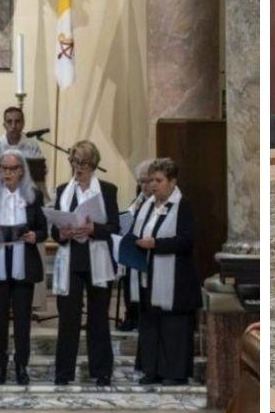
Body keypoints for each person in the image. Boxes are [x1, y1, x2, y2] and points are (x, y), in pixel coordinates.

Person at [50, 140, 119, 386]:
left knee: (98, 318)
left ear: (94, 164)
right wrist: (62, 233)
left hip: (97, 259)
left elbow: (114, 227)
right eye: (74, 161)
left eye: (84, 163)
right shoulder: (62, 190)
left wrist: (94, 228)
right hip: (71, 260)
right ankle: (63, 372)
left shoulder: (108, 190)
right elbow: (55, 230)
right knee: (68, 319)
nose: (78, 168)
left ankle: (101, 371)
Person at [0, 149, 46, 385]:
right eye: (3, 168)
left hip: (23, 261)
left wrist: (34, 236)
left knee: (23, 320)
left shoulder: (33, 195)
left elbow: (44, 230)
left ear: (21, 171)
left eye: (12, 169)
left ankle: (21, 366)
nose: (7, 173)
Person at [129, 159, 199, 385]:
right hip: (147, 274)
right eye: (151, 181)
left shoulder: (183, 205)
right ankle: (152, 370)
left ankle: (174, 373)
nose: (153, 185)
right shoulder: (148, 205)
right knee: (150, 324)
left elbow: (186, 242)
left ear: (172, 182)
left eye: (158, 180)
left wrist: (156, 245)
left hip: (175, 279)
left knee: (173, 327)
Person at [117, 158, 155, 332]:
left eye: (148, 181)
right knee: (128, 279)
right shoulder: (138, 199)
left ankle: (142, 317)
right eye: (141, 181)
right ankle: (131, 315)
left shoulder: (158, 201)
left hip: (149, 250)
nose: (144, 186)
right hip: (133, 248)